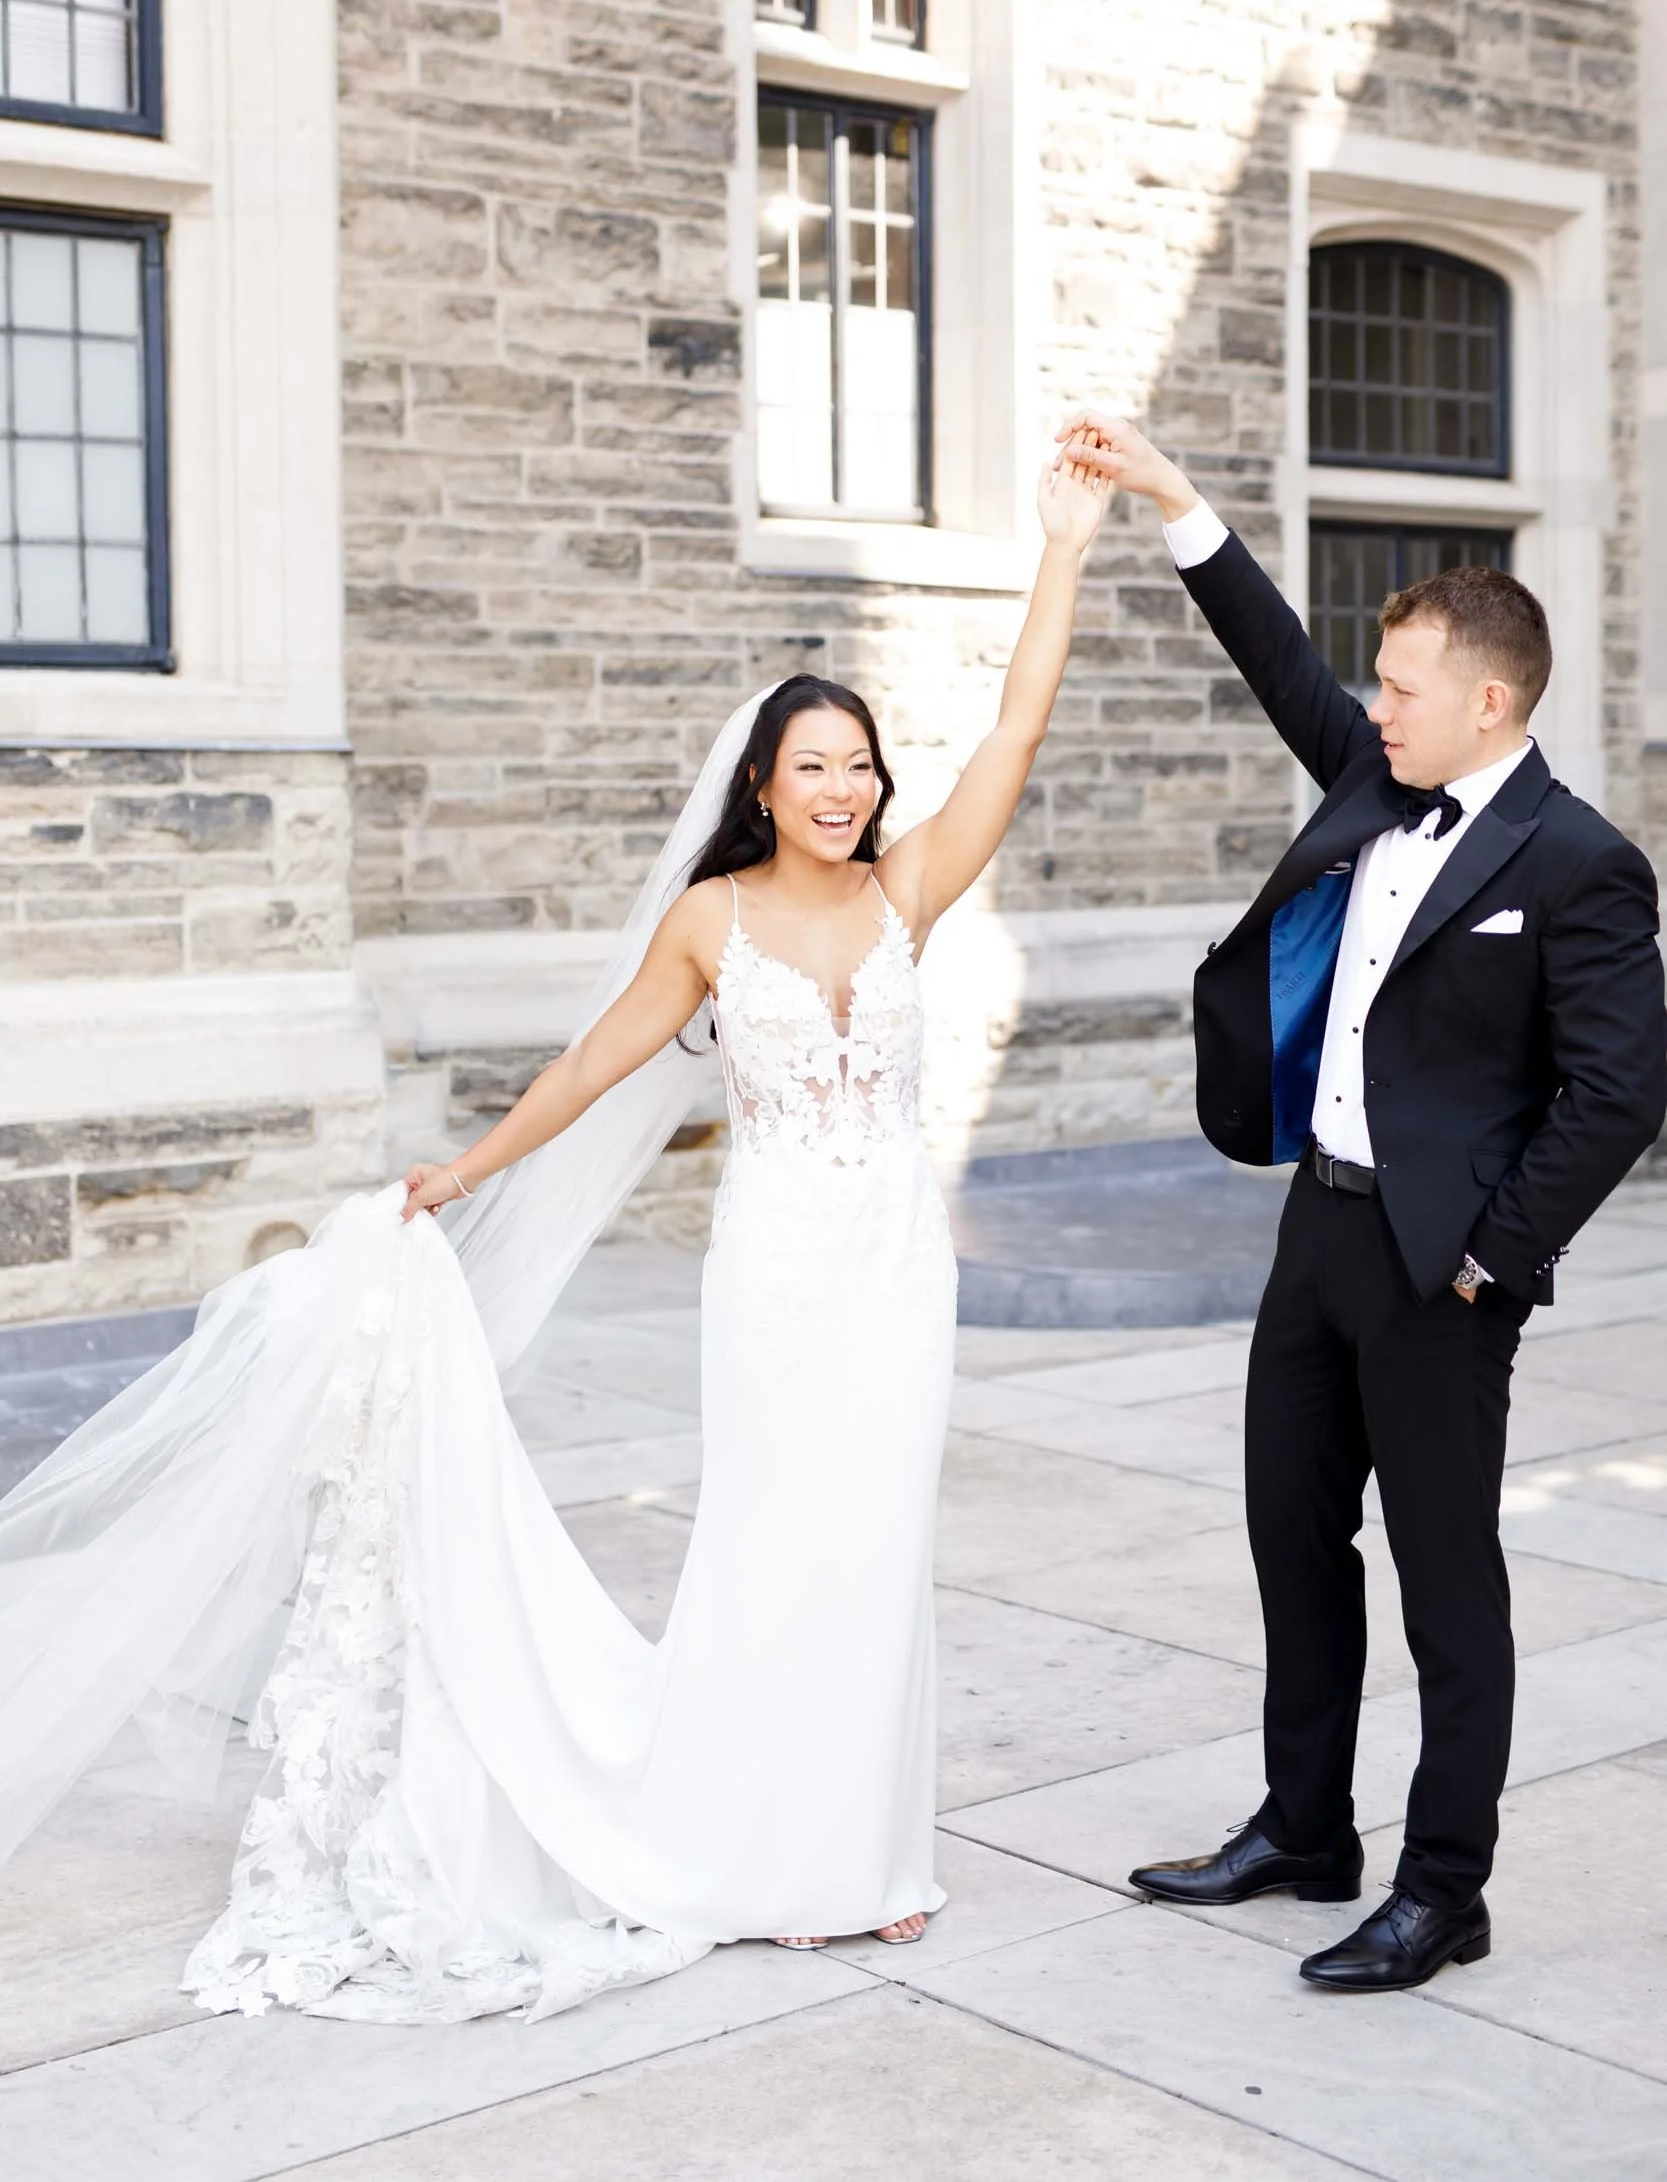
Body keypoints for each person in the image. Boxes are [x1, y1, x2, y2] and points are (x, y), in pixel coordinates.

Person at [0, 448, 1111, 2021]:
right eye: (812, 767)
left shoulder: (906, 892)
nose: (843, 788)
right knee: (777, 1551)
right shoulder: (710, 923)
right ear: (760, 789)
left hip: (892, 1277)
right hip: (777, 1279)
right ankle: (758, 1857)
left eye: (857, 762)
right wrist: (459, 1173)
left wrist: (1059, 545)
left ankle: (862, 1860)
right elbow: (594, 1067)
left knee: (880, 1552)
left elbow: (1017, 727)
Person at [1057, 411, 1667, 1994]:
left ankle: (1442, 1887)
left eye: (1397, 685)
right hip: (1316, 1230)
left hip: (1438, 1269)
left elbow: (1621, 1088)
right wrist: (1177, 501)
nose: (1370, 704)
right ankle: (1302, 1827)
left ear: (1487, 700)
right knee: (1287, 1533)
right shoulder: (1374, 775)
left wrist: (1490, 1257)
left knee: (1446, 1580)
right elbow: (1276, 660)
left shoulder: (1581, 862)